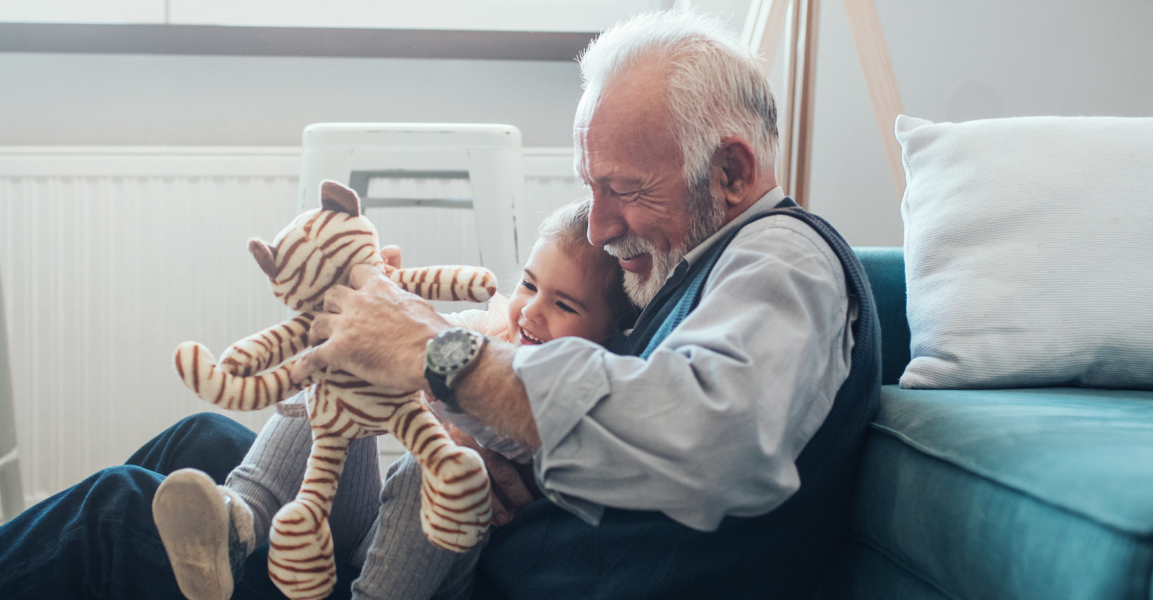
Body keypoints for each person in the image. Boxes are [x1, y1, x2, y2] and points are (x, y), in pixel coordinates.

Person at [302, 10, 882, 599]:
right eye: (590, 187)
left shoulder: (784, 256)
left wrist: (438, 353)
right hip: (478, 563)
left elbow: (710, 437)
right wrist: (471, 427)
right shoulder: (682, 272)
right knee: (220, 439)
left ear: (731, 171)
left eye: (625, 190)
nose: (599, 228)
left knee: (216, 450)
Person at [151, 197, 639, 600]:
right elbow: (427, 338)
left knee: (431, 467)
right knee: (343, 367)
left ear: (611, 335)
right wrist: (379, 312)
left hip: (430, 575)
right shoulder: (495, 329)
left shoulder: (574, 395)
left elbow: (500, 426)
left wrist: (433, 389)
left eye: (564, 305)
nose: (531, 311)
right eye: (529, 284)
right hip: (373, 533)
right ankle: (237, 517)